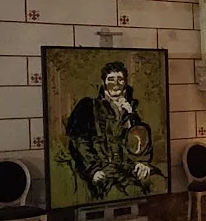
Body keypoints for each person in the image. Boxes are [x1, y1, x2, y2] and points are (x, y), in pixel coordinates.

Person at [64, 61, 159, 200]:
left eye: (120, 79)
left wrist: (142, 162)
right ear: (103, 82)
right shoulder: (89, 107)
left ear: (125, 82)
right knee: (121, 193)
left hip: (129, 167)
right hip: (103, 170)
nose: (116, 84)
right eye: (111, 79)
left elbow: (142, 140)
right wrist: (93, 170)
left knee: (158, 183)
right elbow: (80, 142)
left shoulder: (134, 107)